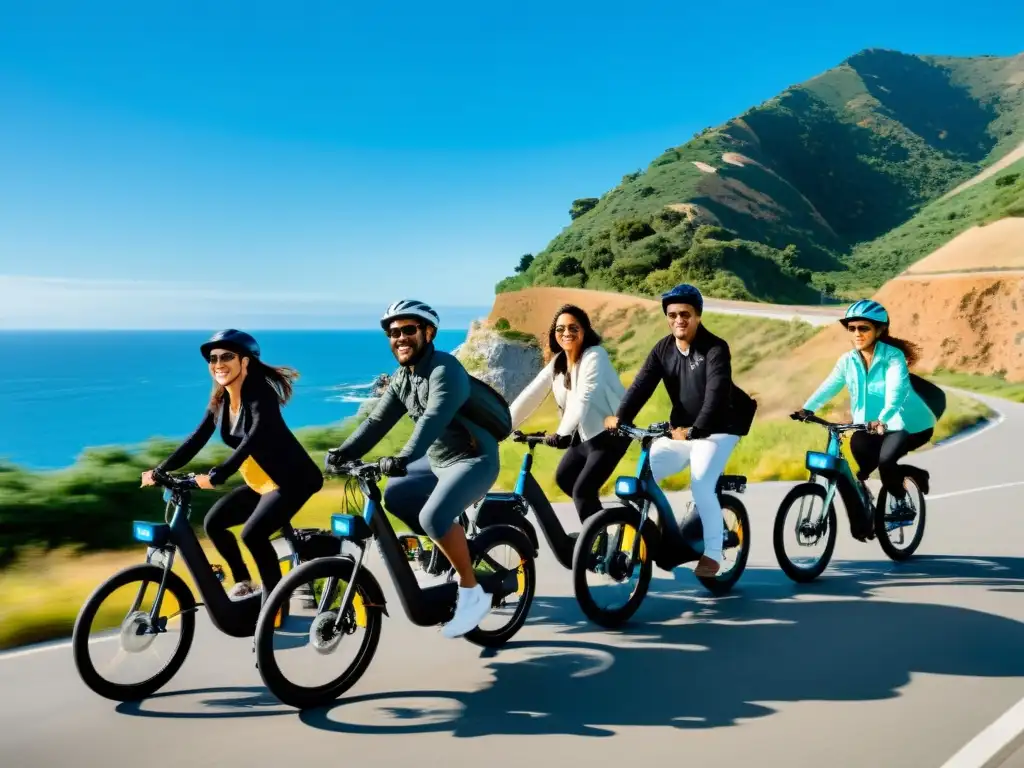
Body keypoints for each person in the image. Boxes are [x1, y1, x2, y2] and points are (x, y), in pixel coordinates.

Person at [325, 299, 498, 639]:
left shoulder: (445, 370)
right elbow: (377, 421)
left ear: (428, 332)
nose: (400, 338)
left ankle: (471, 591)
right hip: (435, 461)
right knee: (397, 497)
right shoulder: (404, 377)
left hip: (473, 459)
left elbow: (432, 421)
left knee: (431, 518)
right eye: (393, 333)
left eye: (408, 330)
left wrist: (402, 458)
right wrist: (343, 452)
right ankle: (447, 547)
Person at [142, 330, 324, 599]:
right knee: (214, 523)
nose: (218, 364)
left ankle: (275, 603)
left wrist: (219, 475)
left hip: (293, 479)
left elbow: (253, 439)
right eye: (213, 359)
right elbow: (197, 438)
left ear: (245, 362)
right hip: (263, 482)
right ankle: (244, 583)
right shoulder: (221, 400)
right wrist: (161, 470)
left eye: (227, 356)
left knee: (253, 535)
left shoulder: (261, 395)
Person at [605, 284, 756, 578]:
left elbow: (715, 393)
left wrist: (697, 429)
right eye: (672, 314)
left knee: (700, 484)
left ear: (697, 316)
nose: (678, 320)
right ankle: (633, 542)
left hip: (720, 428)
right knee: (646, 475)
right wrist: (621, 417)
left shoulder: (715, 348)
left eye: (685, 314)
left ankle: (712, 554)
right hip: (682, 431)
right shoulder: (663, 349)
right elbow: (641, 386)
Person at [796, 299, 935, 530]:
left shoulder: (893, 357)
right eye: (852, 328)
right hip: (867, 426)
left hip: (904, 424)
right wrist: (808, 408)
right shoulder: (847, 360)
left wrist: (883, 418)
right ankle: (867, 505)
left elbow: (896, 391)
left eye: (864, 328)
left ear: (880, 330)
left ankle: (901, 503)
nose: (857, 333)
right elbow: (829, 385)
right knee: (861, 465)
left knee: (886, 462)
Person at [507, 304, 627, 523]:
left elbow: (584, 395)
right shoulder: (558, 363)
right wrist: (503, 425)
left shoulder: (595, 356)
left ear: (585, 331)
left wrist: (562, 433)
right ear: (555, 334)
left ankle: (595, 544)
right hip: (583, 436)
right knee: (565, 479)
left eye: (574, 328)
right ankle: (601, 530)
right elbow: (531, 395)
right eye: (560, 329)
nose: (566, 333)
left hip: (610, 435)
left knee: (582, 491)